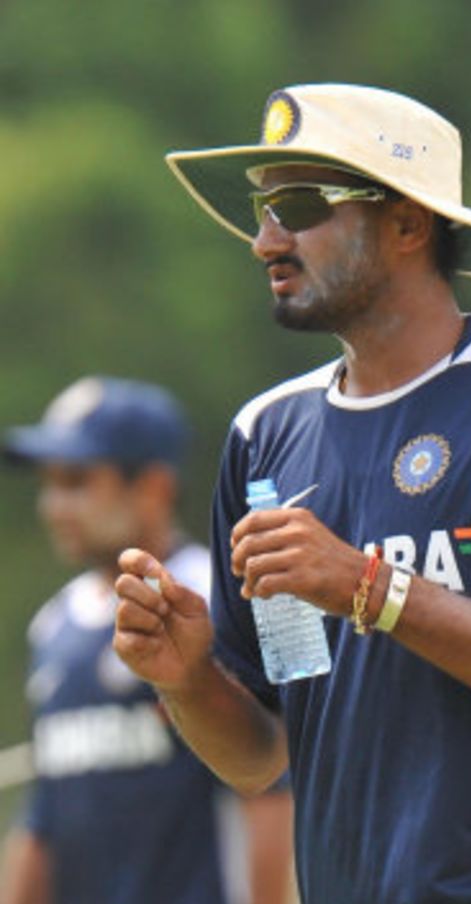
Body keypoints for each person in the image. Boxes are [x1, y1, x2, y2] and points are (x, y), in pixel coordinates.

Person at [111, 83, 471, 904]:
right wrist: (187, 679)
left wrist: (372, 588)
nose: (265, 241)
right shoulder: (265, 435)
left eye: (299, 206)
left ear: (408, 224)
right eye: (262, 211)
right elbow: (262, 754)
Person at [0, 376, 294, 904]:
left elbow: (269, 793)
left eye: (77, 481)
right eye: (49, 484)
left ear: (153, 487)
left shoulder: (210, 600)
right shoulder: (53, 624)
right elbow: (45, 820)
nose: (54, 506)